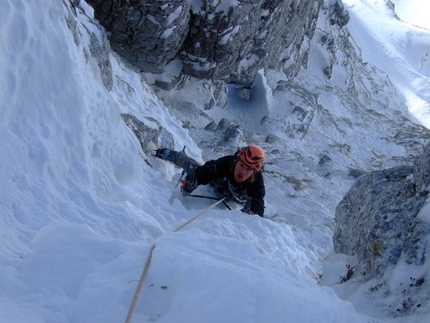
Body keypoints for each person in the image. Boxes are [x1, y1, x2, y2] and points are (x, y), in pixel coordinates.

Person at [154, 145, 266, 217]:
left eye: (248, 170)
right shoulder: (226, 163)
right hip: (216, 184)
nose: (242, 171)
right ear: (237, 161)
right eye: (241, 165)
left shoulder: (257, 183)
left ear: (254, 172)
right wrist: (192, 182)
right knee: (191, 167)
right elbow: (206, 171)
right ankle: (172, 155)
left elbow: (258, 205)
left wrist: (252, 214)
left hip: (235, 198)